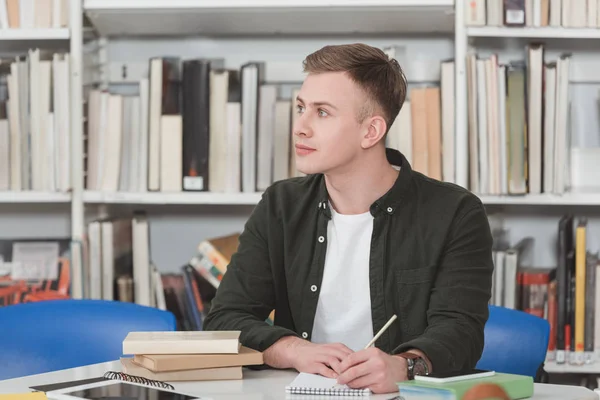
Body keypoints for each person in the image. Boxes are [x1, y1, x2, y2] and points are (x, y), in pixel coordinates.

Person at [203, 43, 494, 394]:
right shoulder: (280, 205)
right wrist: (294, 350)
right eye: (300, 108)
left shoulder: (455, 212)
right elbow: (224, 319)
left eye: (322, 112)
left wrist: (404, 365)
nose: (300, 127)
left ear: (370, 131)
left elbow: (460, 331)